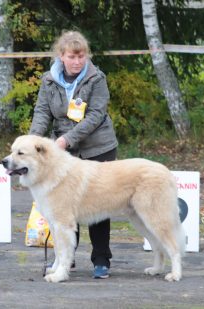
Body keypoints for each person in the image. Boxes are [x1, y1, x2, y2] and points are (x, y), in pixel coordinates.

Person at [28, 30, 118, 279]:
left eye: (81, 56)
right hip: (63, 151)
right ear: (61, 56)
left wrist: (67, 140)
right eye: (72, 56)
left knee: (99, 206)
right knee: (65, 209)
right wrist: (33, 142)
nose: (77, 61)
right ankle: (66, 259)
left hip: (98, 147)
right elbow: (42, 113)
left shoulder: (97, 78)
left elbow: (96, 115)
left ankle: (101, 260)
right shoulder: (48, 80)